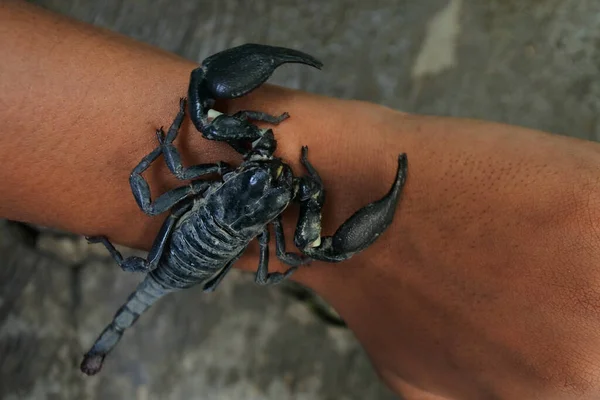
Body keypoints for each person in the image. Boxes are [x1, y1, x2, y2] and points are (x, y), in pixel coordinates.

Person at [2, 1, 600, 399]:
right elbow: (286, 249)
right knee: (197, 254)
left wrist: (169, 146)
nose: (282, 170)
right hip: (202, 247)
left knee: (177, 219)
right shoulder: (267, 218)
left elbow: (175, 167)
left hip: (190, 243)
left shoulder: (224, 178)